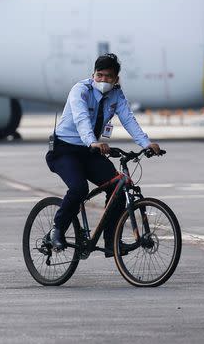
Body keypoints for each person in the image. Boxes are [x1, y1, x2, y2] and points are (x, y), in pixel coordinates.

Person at [45, 53, 161, 256]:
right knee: (79, 188)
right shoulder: (80, 90)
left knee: (120, 185)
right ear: (93, 74)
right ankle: (57, 229)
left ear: (116, 79)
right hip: (64, 150)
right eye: (99, 75)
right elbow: (81, 118)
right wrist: (92, 141)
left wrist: (147, 143)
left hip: (90, 151)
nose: (103, 80)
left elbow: (128, 119)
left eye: (108, 77)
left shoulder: (116, 94)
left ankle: (111, 241)